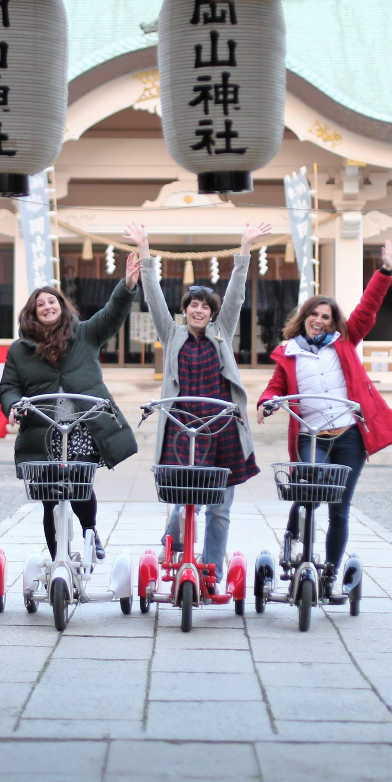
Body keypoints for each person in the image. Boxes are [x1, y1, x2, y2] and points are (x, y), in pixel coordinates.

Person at [257, 240, 392, 600]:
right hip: (312, 435)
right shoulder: (289, 354)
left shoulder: (345, 341)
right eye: (314, 314)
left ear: (332, 322)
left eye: (326, 316)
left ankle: (329, 576)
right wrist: (267, 403)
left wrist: (385, 271)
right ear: (304, 316)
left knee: (339, 509)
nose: (319, 320)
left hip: (350, 436)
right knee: (308, 493)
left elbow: (367, 309)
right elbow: (274, 388)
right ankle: (293, 545)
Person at [124, 221, 270, 580]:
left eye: (205, 306)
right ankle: (172, 542)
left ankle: (213, 571)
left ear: (211, 312)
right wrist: (145, 248)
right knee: (180, 501)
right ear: (185, 310)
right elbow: (153, 295)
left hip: (222, 431)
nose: (199, 311)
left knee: (219, 508)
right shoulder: (171, 334)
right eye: (193, 305)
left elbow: (236, 294)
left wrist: (244, 247)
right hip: (181, 430)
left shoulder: (221, 334)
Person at [0, 253, 141, 561]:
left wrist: (127, 286)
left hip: (83, 427)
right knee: (49, 499)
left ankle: (90, 530)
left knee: (78, 482)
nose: (48, 307)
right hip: (41, 429)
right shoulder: (19, 350)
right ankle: (57, 560)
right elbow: (9, 387)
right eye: (41, 304)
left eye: (53, 302)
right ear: (32, 313)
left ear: (62, 307)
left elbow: (112, 314)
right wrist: (11, 406)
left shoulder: (85, 334)